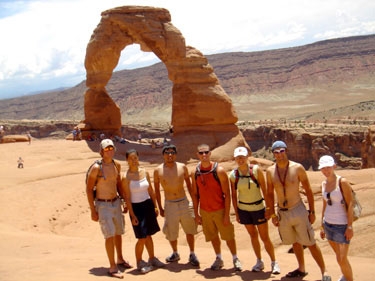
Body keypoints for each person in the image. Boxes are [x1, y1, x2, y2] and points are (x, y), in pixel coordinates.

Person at [266, 140, 331, 281]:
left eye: (282, 151)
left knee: (310, 242)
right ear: (273, 154)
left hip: (298, 209)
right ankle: (301, 269)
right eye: (276, 152)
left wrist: (312, 212)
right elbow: (270, 194)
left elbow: (308, 190)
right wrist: (272, 214)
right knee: (295, 242)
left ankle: (324, 271)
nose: (279, 155)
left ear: (286, 151)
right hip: (282, 212)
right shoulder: (270, 171)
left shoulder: (297, 168)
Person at [191, 144, 242, 271]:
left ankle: (235, 258)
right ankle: (218, 258)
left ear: (210, 154)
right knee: (213, 236)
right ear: (197, 155)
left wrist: (226, 215)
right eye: (201, 153)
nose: (204, 155)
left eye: (206, 152)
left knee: (228, 236)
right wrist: (197, 214)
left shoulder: (219, 171)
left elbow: (227, 194)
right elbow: (195, 194)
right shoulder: (195, 172)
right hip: (205, 211)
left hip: (219, 209)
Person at [229, 146, 280, 274]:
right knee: (253, 236)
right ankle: (259, 261)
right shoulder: (233, 175)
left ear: (247, 157)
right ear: (235, 159)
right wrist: (237, 213)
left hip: (258, 208)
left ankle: (274, 262)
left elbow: (265, 190)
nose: (240, 160)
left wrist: (269, 208)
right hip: (244, 210)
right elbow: (234, 196)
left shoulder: (256, 170)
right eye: (238, 157)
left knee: (265, 237)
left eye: (242, 157)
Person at [86, 139, 131, 279]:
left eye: (111, 148)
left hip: (115, 203)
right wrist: (93, 210)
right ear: (101, 151)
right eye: (106, 149)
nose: (109, 150)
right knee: (109, 235)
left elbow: (118, 184)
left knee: (118, 233)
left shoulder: (116, 165)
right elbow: (88, 190)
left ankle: (120, 259)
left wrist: (124, 201)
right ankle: (112, 267)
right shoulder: (96, 168)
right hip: (103, 204)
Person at [154, 145, 200, 266]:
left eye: (172, 152)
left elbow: (189, 186)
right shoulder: (158, 170)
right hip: (169, 204)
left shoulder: (182, 167)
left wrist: (194, 203)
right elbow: (157, 191)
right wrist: (160, 207)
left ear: (176, 154)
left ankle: (192, 253)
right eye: (167, 153)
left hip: (183, 202)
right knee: (171, 231)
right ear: (163, 155)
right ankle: (175, 253)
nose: (170, 155)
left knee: (189, 229)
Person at [122, 149, 165, 274]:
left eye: (135, 158)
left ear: (138, 158)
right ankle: (139, 262)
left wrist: (155, 206)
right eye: (131, 158)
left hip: (147, 205)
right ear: (127, 161)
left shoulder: (144, 172)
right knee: (142, 237)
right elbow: (127, 197)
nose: (134, 160)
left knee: (149, 234)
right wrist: (132, 214)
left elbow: (150, 191)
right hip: (136, 208)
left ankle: (152, 258)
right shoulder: (126, 177)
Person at [319, 155, 354, 281]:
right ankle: (345, 275)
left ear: (334, 166)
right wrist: (322, 225)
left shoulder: (342, 182)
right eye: (323, 168)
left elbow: (350, 203)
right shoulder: (324, 184)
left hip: (341, 225)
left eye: (328, 167)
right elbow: (324, 204)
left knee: (341, 258)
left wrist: (349, 226)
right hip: (328, 224)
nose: (326, 171)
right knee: (338, 256)